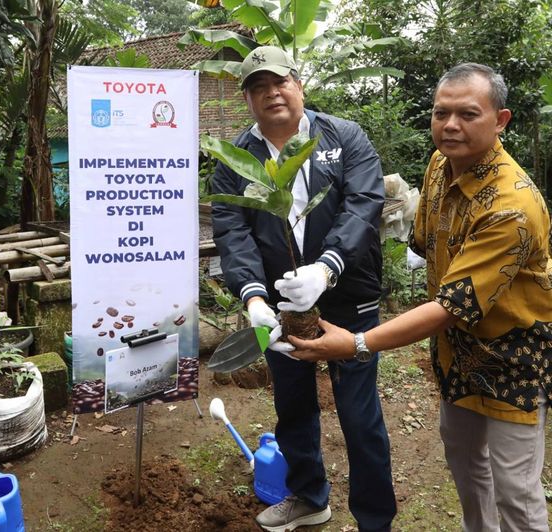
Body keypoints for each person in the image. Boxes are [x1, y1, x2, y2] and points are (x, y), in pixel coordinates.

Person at [288, 63, 552, 531]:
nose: (450, 126)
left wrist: (357, 343)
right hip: (458, 355)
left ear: (501, 120)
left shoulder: (512, 205)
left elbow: (451, 306)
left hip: (514, 357)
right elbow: (425, 241)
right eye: (441, 113)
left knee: (515, 489)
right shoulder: (439, 165)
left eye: (468, 114)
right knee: (466, 467)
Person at [211, 46, 396, 531]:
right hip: (279, 306)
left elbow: (364, 203)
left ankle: (374, 520)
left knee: (359, 416)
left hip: (347, 295)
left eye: (280, 82)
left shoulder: (343, 136)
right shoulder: (236, 157)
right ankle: (311, 498)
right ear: (247, 99)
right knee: (292, 407)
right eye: (257, 86)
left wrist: (326, 267)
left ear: (299, 86)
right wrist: (253, 296)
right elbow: (232, 230)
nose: (270, 92)